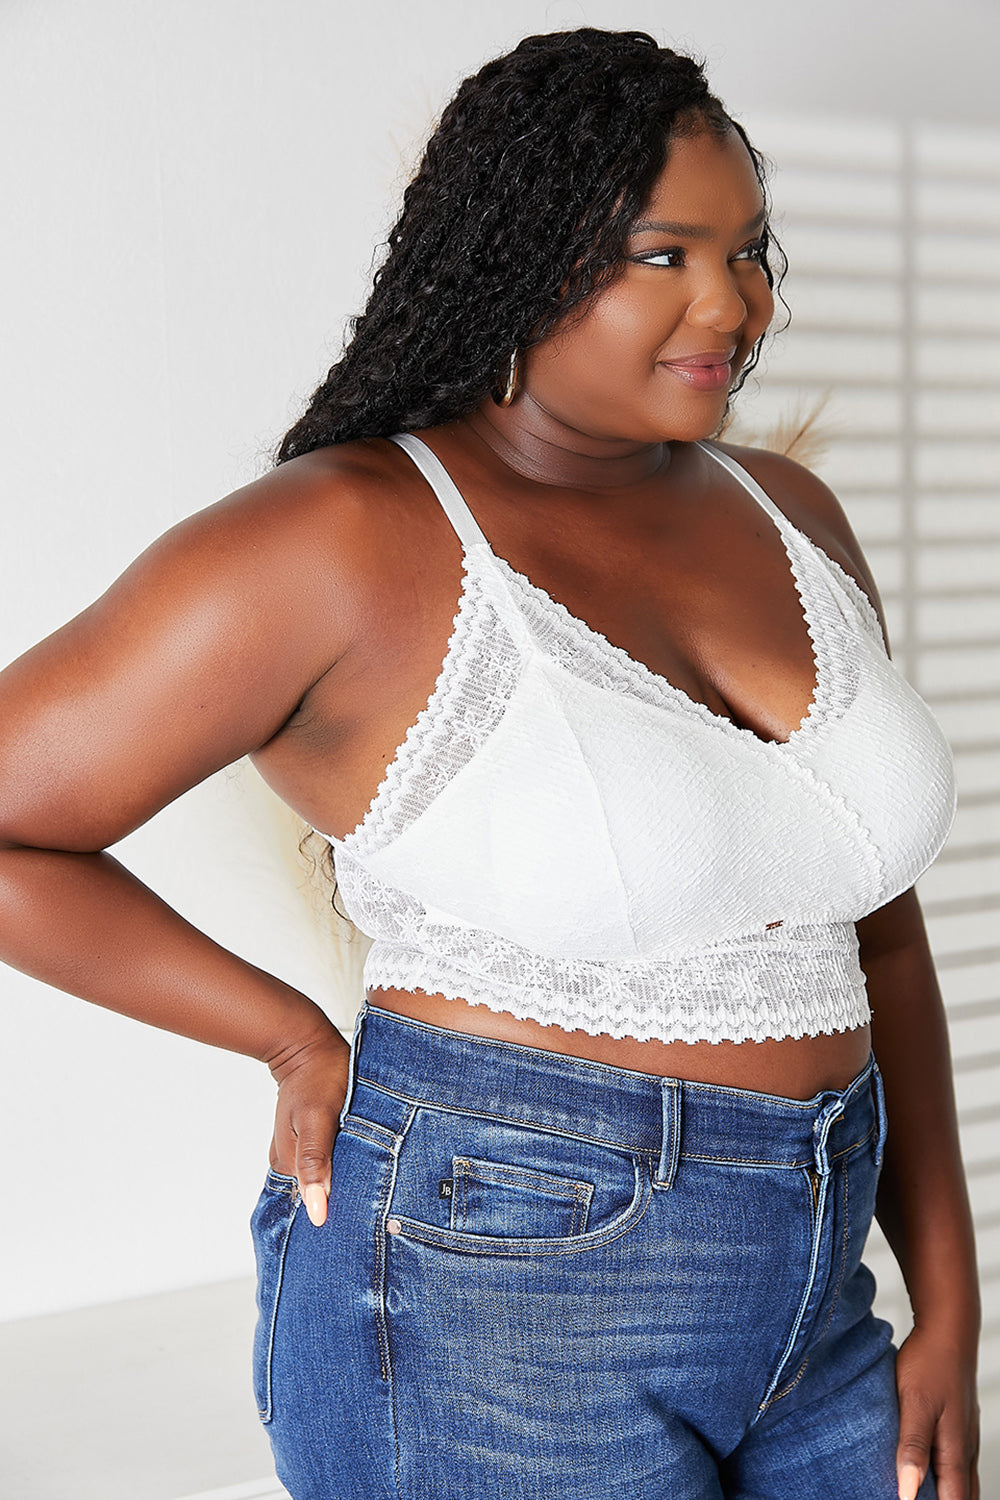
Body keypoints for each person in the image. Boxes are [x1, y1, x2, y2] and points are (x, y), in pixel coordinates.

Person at [0, 26, 980, 1500]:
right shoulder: (342, 540)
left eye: (748, 248)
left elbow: (877, 930)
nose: (732, 301)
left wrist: (952, 1297)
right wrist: (286, 1036)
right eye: (663, 255)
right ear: (521, 256)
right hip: (498, 1283)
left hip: (819, 1278)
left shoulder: (790, 512)